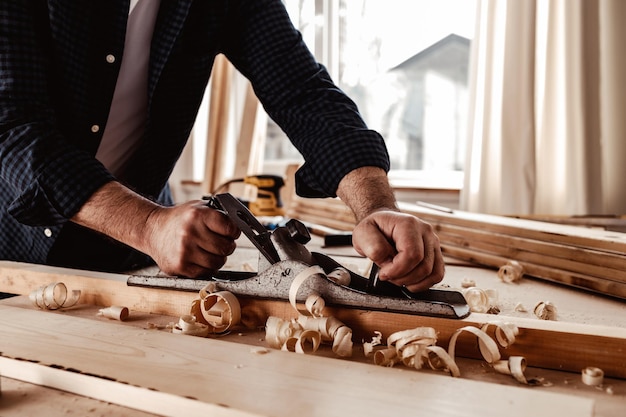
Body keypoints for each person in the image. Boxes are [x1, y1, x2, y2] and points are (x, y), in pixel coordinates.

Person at [0, 0, 444, 293]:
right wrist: (150, 224)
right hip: (12, 252)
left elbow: (303, 92)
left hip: (129, 260)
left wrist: (375, 207)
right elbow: (12, 129)